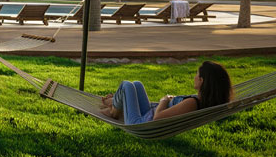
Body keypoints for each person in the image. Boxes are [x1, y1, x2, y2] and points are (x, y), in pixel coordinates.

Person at [100, 60, 233, 124]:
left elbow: (158, 118)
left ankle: (113, 111)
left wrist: (164, 101)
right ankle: (115, 103)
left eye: (196, 75)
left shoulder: (193, 103)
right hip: (148, 114)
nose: (194, 77)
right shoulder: (200, 101)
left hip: (141, 123)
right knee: (137, 84)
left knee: (127, 85)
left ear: (202, 81)